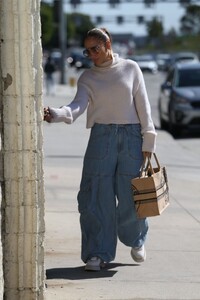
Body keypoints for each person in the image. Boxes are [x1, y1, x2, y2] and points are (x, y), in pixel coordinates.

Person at [44, 27, 157, 272]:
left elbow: (143, 105)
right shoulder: (88, 78)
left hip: (131, 137)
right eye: (87, 51)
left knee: (130, 194)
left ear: (108, 44)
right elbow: (77, 106)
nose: (92, 55)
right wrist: (56, 114)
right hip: (101, 137)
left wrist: (149, 139)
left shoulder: (131, 68)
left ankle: (136, 239)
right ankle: (97, 252)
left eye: (95, 49)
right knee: (95, 194)